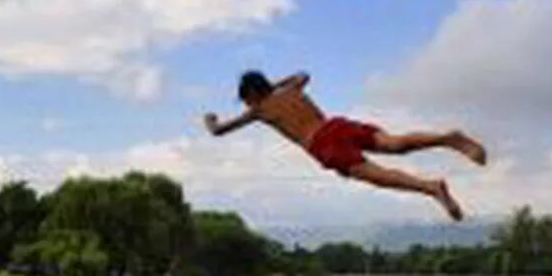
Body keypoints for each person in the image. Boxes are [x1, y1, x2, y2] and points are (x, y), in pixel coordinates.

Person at [204, 70, 486, 221]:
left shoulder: (259, 110)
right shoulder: (290, 90)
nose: (246, 104)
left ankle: (431, 188)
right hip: (336, 124)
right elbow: (303, 74)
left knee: (381, 176)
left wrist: (210, 120)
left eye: (245, 98)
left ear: (252, 94)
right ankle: (448, 138)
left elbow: (219, 131)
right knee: (396, 143)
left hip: (323, 144)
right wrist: (273, 86)